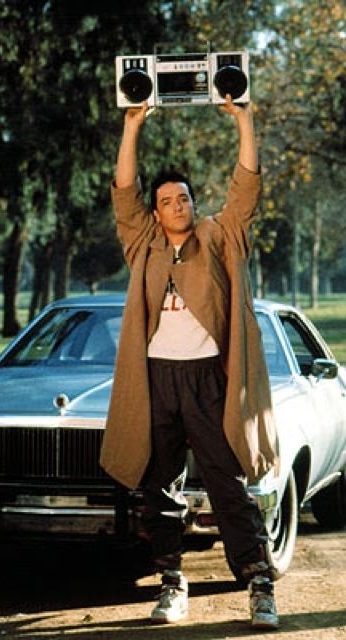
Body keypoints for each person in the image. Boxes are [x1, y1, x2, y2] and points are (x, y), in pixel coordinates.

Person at [99, 95, 280, 630]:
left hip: (208, 379)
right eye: (169, 201)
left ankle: (259, 583)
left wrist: (245, 120)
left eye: (184, 198)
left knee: (226, 483)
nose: (179, 206)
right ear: (157, 213)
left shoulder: (218, 237)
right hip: (156, 380)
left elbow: (244, 190)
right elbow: (123, 195)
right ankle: (172, 584)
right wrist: (132, 126)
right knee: (159, 486)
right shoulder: (145, 244)